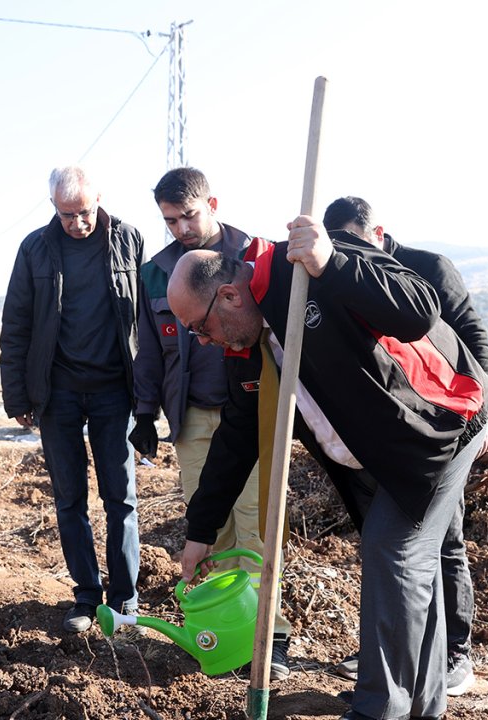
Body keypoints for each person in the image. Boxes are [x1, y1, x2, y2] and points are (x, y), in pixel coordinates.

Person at [169, 217, 488, 720]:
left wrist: (334, 264)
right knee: (410, 572)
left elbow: (419, 311)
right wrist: (202, 529)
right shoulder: (245, 345)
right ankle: (422, 706)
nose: (203, 341)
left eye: (200, 327)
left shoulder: (309, 263)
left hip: (438, 428)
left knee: (394, 553)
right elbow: (237, 435)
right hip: (371, 457)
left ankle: (377, 709)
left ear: (230, 296)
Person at [322, 196, 488, 695]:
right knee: (392, 548)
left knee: (446, 540)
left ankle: (455, 654)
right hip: (393, 430)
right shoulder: (345, 272)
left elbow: (474, 337)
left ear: (377, 233)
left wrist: (481, 417)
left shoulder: (427, 268)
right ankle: (401, 649)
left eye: (357, 246)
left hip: (446, 426)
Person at [130, 166, 293, 678]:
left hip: (251, 408)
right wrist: (143, 411)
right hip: (193, 413)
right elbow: (150, 351)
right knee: (211, 521)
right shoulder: (156, 272)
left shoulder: (250, 257)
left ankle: (272, 635)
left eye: (188, 215)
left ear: (213, 203)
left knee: (254, 522)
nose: (181, 228)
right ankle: (232, 630)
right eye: (170, 220)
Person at [0, 166, 144, 633]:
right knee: (69, 499)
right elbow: (16, 325)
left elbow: (147, 319)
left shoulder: (129, 240)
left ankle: (125, 600)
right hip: (57, 392)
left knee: (120, 497)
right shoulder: (35, 249)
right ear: (53, 209)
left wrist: (149, 396)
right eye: (66, 215)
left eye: (84, 213)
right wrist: (17, 395)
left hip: (114, 392)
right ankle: (86, 596)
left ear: (99, 201)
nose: (77, 223)